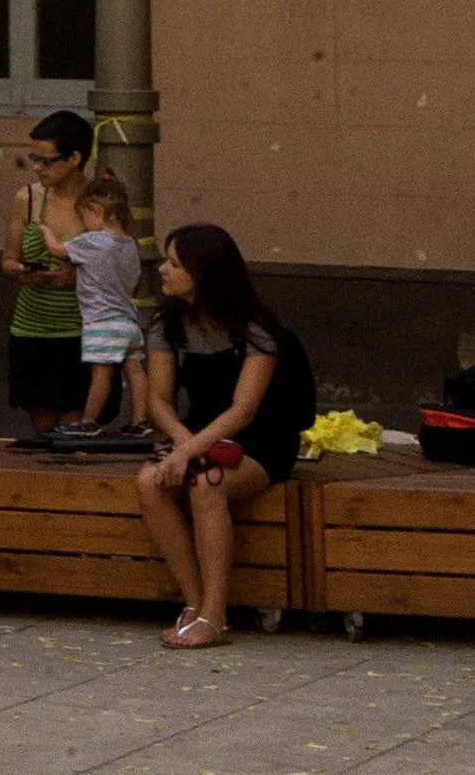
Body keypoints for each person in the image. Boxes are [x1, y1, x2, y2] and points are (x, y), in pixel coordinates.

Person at [130, 221, 315, 648]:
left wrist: (189, 453)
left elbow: (244, 410)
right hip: (195, 432)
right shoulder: (166, 324)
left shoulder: (257, 330)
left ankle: (216, 613)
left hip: (260, 438)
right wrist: (181, 444)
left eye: (173, 263)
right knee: (148, 482)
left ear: (203, 274)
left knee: (206, 484)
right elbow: (159, 400)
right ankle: (193, 601)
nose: (162, 269)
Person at [0, 110, 95, 434]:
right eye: (33, 159)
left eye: (46, 161)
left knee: (75, 427)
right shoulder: (26, 198)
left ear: (75, 158)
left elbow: (121, 269)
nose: (37, 168)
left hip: (79, 330)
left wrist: (75, 279)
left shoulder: (98, 203)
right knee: (43, 427)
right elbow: (9, 258)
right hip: (32, 329)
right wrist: (22, 272)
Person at [69, 174, 147, 431]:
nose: (84, 224)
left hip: (101, 320)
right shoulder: (131, 244)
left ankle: (88, 422)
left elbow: (58, 250)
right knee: (134, 371)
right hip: (129, 321)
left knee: (101, 373)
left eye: (85, 217)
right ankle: (140, 421)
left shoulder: (92, 241)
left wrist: (45, 230)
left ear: (97, 211)